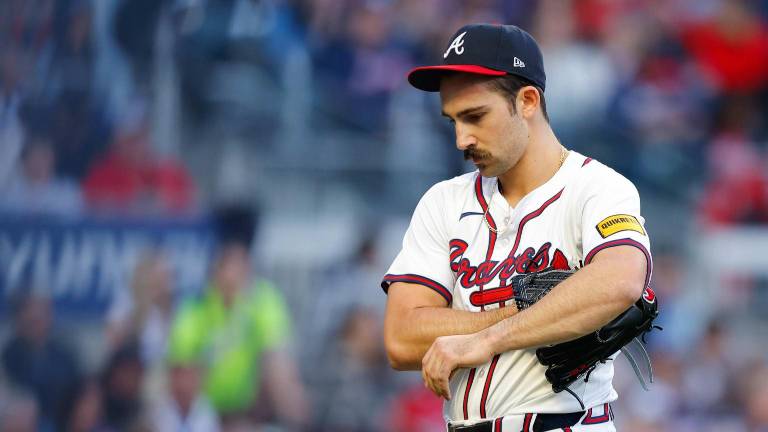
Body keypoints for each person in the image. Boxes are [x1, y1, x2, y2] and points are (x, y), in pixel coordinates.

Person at [382, 24, 652, 431]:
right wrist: (530, 313)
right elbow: (402, 338)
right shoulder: (444, 201)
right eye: (453, 121)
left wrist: (485, 340)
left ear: (527, 101)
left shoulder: (597, 188)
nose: (461, 139)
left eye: (475, 116)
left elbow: (621, 282)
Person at [167, 204, 309, 429]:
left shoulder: (264, 299)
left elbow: (279, 362)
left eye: (238, 262)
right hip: (202, 411)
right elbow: (182, 370)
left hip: (250, 410)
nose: (231, 273)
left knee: (281, 370)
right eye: (225, 263)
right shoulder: (195, 306)